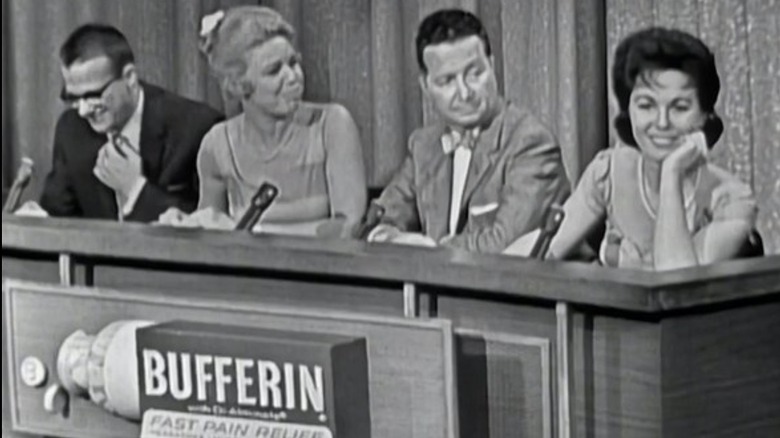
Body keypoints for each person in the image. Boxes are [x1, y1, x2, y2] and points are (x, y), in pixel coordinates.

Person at [547, 27, 759, 270]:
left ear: (705, 116)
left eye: (680, 107)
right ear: (629, 109)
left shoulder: (732, 200)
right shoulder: (608, 172)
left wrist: (672, 172)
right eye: (646, 105)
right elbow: (548, 248)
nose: (661, 122)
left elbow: (676, 281)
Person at [367, 9, 569, 253]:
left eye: (475, 73)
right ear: (425, 85)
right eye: (447, 81)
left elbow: (505, 247)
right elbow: (381, 219)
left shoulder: (531, 143)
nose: (464, 93)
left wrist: (430, 249)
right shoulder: (423, 145)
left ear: (492, 66)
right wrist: (385, 235)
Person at [160, 6, 367, 236]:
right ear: (238, 86)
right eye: (274, 70)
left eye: (293, 62)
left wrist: (257, 236)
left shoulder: (332, 126)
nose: (292, 77)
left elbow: (349, 228)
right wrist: (185, 225)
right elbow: (212, 238)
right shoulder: (217, 146)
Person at [34, 24, 223, 222]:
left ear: (130, 77)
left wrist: (135, 189)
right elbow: (59, 218)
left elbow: (206, 230)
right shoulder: (71, 129)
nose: (83, 110)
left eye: (93, 95)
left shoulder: (197, 128)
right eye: (73, 98)